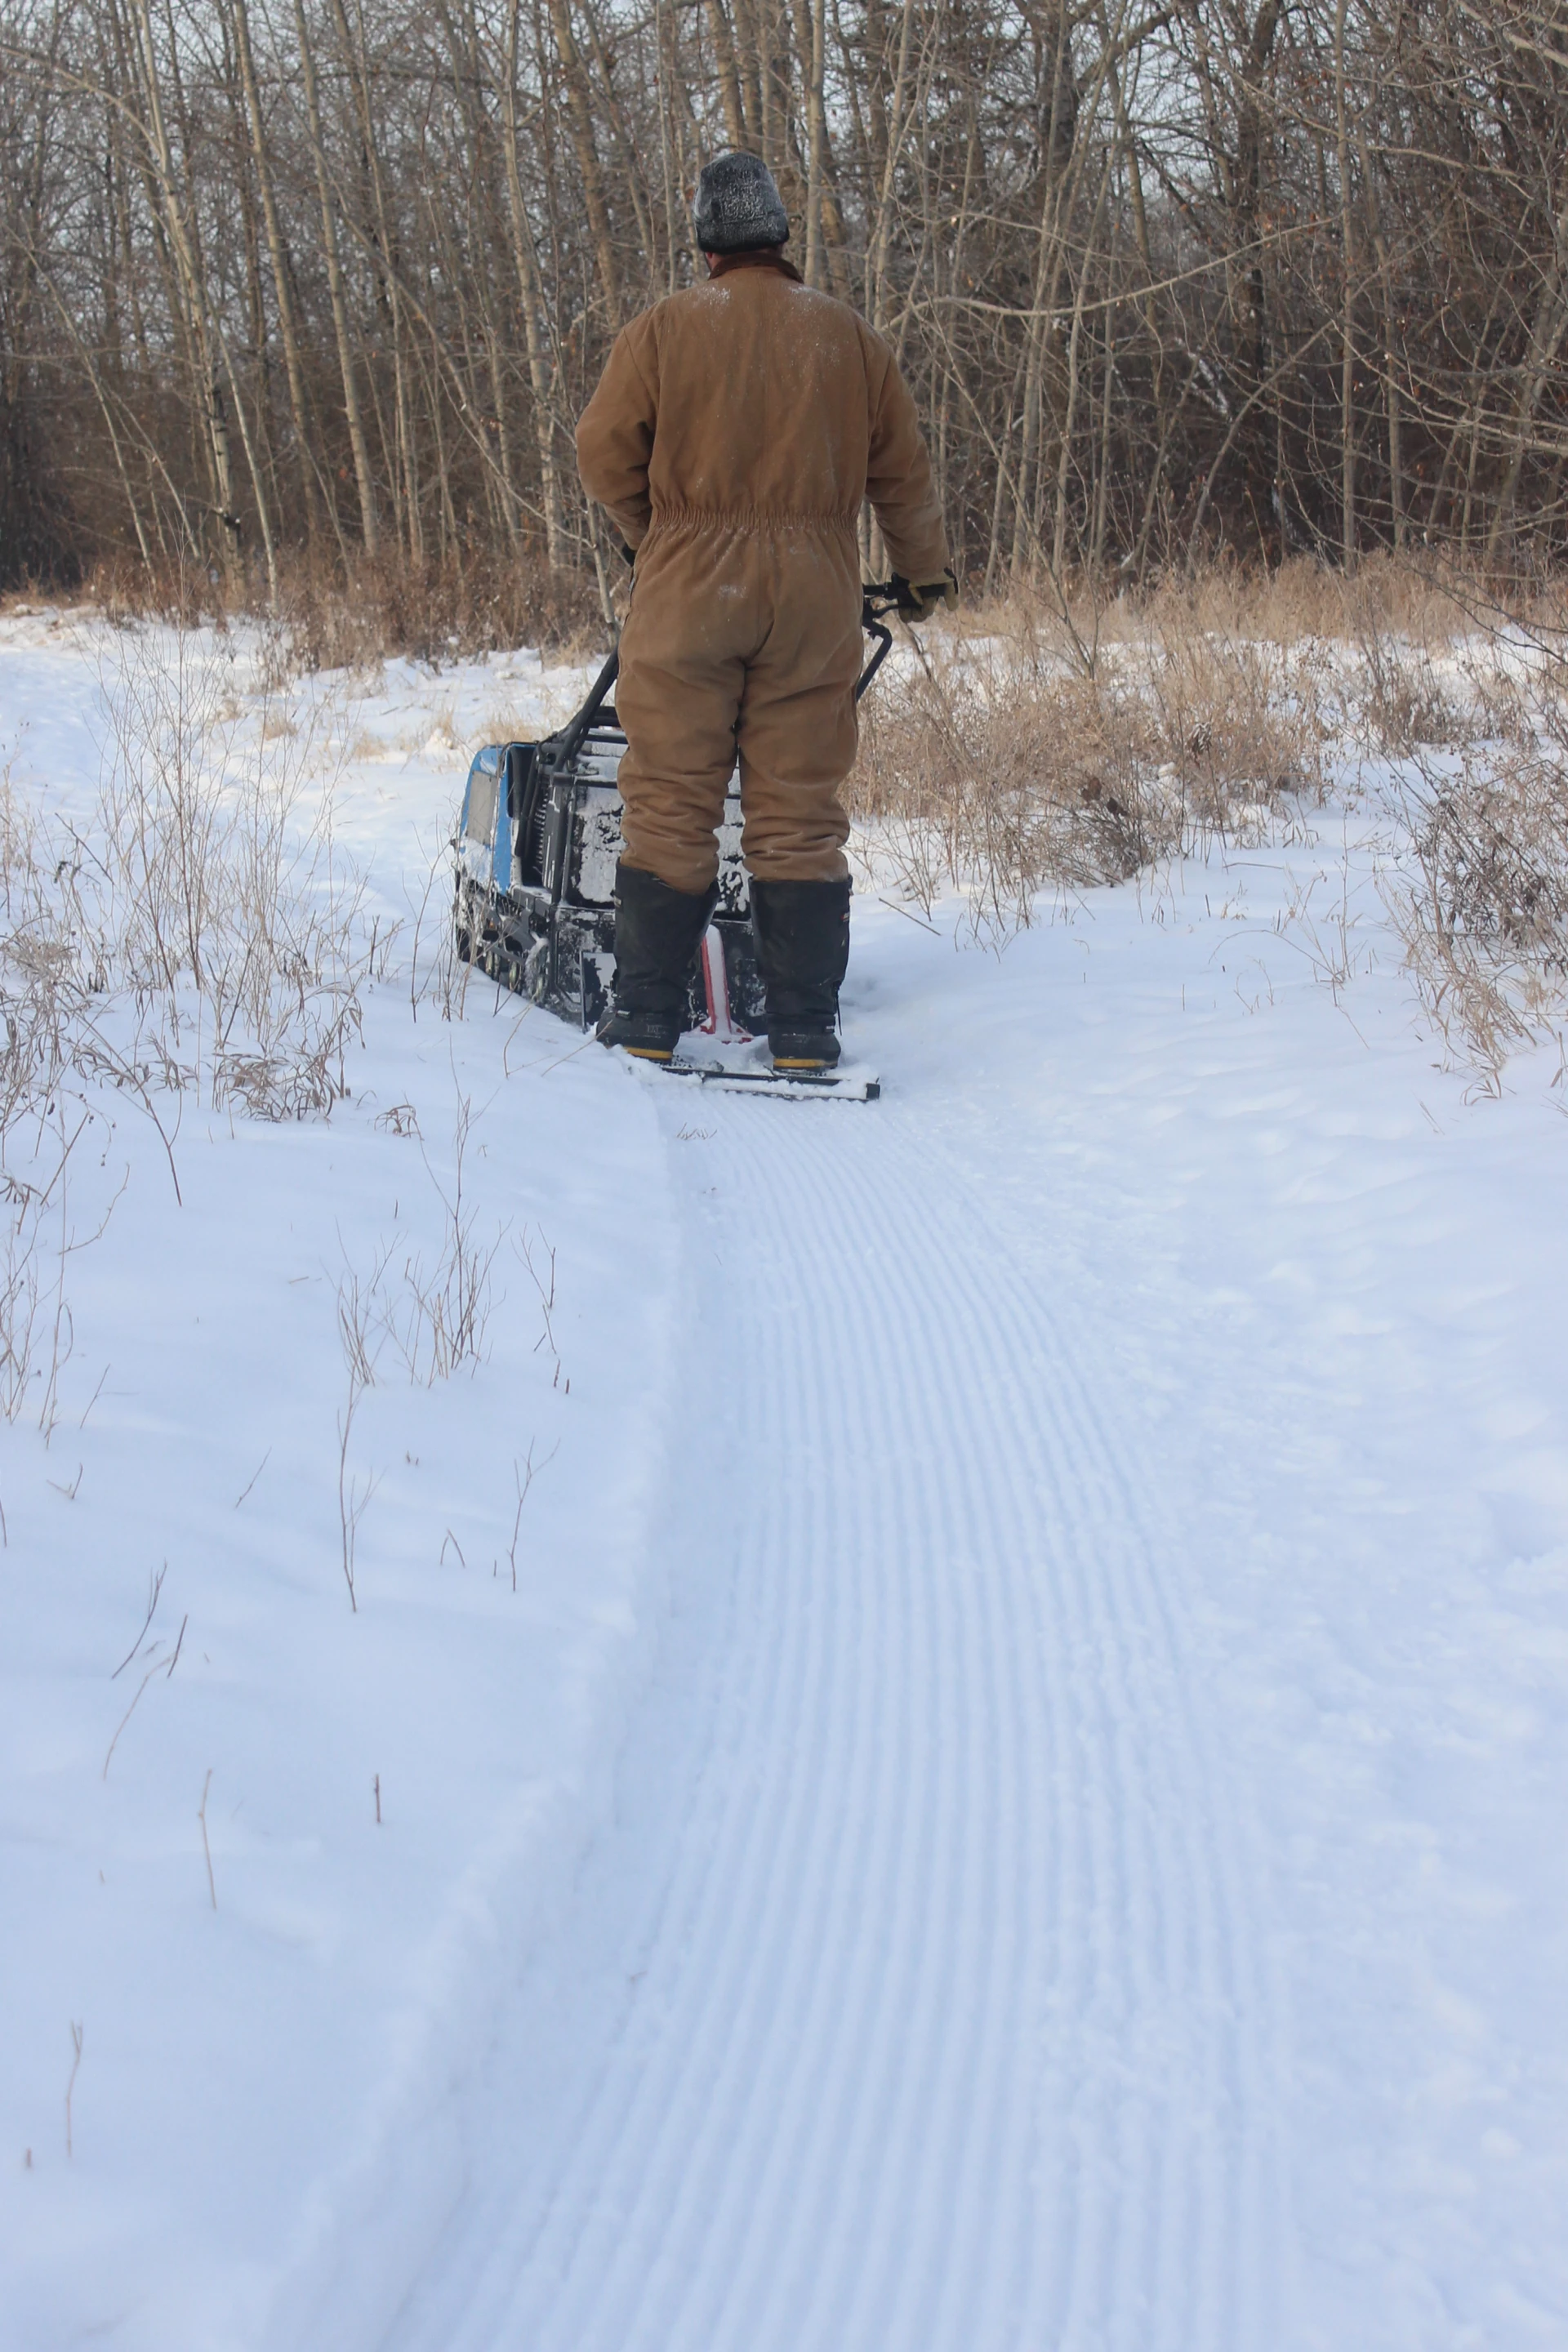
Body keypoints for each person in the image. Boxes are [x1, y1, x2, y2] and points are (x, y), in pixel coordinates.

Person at [576, 150, 955, 1071]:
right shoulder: (846, 337)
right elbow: (902, 473)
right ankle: (801, 1032)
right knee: (797, 812)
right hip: (811, 593)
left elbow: (601, 452)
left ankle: (645, 1024)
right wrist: (921, 576)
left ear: (706, 246)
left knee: (669, 801)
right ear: (780, 236)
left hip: (686, 594)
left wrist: (652, 533)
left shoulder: (664, 330)